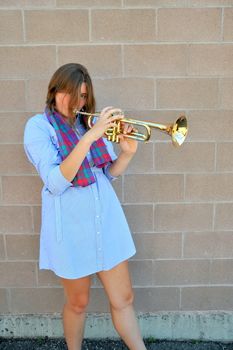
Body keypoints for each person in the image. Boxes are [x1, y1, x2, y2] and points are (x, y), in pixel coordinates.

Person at [24, 63, 147, 350]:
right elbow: (55, 181)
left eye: (82, 96)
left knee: (124, 299)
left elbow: (106, 174)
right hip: (71, 228)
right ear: (54, 91)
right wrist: (90, 136)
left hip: (106, 220)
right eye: (70, 93)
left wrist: (127, 153)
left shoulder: (86, 124)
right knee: (78, 303)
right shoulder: (38, 127)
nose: (76, 102)